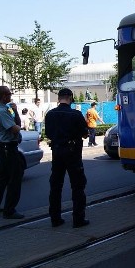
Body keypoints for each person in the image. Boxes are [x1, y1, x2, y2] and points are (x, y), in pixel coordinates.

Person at [44, 88, 90, 228]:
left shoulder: (50, 114)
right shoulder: (75, 114)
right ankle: (78, 219)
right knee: (77, 186)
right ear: (70, 97)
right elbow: (85, 134)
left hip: (57, 152)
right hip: (73, 153)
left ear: (59, 98)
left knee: (56, 186)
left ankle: (55, 219)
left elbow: (49, 134)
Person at [0, 86, 26, 219]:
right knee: (15, 178)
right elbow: (14, 128)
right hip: (8, 148)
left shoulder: (1, 108)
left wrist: (15, 112)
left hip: (4, 148)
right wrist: (21, 125)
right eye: (9, 94)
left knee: (2, 177)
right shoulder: (2, 111)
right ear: (3, 96)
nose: (10, 96)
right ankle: (9, 210)